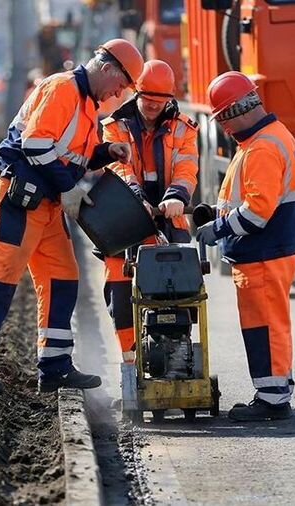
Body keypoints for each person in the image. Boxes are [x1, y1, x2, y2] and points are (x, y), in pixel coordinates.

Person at [0, 38, 144, 394]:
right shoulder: (64, 89)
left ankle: (54, 368)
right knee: (0, 275)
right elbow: (36, 144)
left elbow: (72, 156)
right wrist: (69, 189)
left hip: (43, 200)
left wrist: (104, 153)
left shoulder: (86, 103)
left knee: (62, 276)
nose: (119, 93)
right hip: (18, 196)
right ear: (107, 69)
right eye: (121, 84)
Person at [196, 71, 295, 421]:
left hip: (264, 254)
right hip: (266, 254)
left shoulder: (262, 148)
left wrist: (218, 227)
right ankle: (275, 389)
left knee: (266, 325)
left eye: (224, 119)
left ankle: (273, 398)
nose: (225, 129)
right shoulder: (266, 140)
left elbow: (257, 213)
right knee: (267, 323)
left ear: (236, 112)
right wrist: (215, 214)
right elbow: (247, 200)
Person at [99, 59, 198, 364]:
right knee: (119, 290)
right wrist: (135, 199)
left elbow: (186, 167)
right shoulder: (114, 127)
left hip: (168, 221)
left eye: (160, 101)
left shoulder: (184, 129)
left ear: (169, 99)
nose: (153, 106)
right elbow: (118, 168)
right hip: (125, 221)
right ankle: (130, 364)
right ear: (136, 93)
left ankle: (174, 357)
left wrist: (177, 196)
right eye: (147, 99)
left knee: (174, 291)